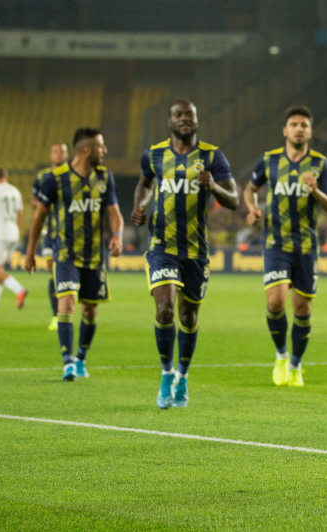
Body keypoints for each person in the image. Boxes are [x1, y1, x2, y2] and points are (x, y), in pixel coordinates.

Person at [132, 100, 239, 409]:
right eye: (178, 115)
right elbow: (145, 185)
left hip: (195, 250)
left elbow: (233, 199)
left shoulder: (212, 156)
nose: (184, 119)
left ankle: (183, 375)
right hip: (162, 246)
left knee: (188, 316)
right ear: (169, 121)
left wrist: (214, 187)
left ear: (196, 119)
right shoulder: (154, 154)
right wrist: (140, 206)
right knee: (164, 310)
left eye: (189, 114)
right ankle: (167, 374)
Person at [244, 105, 327, 387]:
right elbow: (249, 189)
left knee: (302, 309)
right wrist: (252, 208)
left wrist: (316, 191)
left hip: (306, 247)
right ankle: (281, 355)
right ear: (285, 130)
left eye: (304, 125)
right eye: (294, 124)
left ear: (310, 131)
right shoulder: (270, 160)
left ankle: (296, 365)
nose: (299, 129)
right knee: (275, 301)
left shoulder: (321, 164)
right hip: (276, 243)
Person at [25, 129, 123, 381]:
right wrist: (30, 251)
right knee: (67, 302)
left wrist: (117, 235)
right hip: (65, 254)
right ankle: (67, 362)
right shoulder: (55, 179)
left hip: (94, 256)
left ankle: (81, 357)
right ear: (87, 150)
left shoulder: (104, 177)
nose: (105, 151)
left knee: (90, 310)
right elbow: (39, 216)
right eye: (101, 147)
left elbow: (114, 212)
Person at [31, 143, 69, 330]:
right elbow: (34, 201)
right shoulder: (42, 177)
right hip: (49, 231)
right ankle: (56, 316)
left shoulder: (72, 176)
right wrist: (45, 201)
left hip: (68, 232)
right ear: (50, 155)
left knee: (67, 274)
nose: (59, 154)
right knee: (53, 273)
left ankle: (66, 311)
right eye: (55, 151)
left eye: (62, 151)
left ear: (67, 155)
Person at [0, 168, 27, 310]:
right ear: (6, 177)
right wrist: (16, 230)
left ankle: (19, 290)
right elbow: (20, 213)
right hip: (13, 234)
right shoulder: (15, 191)